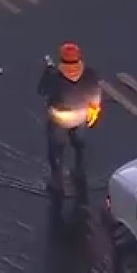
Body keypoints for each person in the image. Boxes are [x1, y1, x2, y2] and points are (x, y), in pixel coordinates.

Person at [37, 42, 102, 193]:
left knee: (56, 150)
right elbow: (95, 93)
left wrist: (47, 72)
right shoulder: (89, 73)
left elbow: (42, 91)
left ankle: (57, 181)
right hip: (80, 116)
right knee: (79, 145)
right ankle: (79, 171)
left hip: (60, 118)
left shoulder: (54, 76)